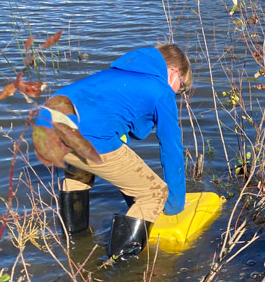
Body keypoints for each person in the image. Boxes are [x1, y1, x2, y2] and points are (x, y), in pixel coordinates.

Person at [32, 44, 192, 258]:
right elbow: (172, 150)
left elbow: (128, 125)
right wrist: (174, 205)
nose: (177, 93)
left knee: (79, 175)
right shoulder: (162, 91)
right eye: (181, 86)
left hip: (45, 125)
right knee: (155, 192)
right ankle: (122, 268)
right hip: (90, 137)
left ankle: (75, 244)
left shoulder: (116, 74)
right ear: (173, 72)